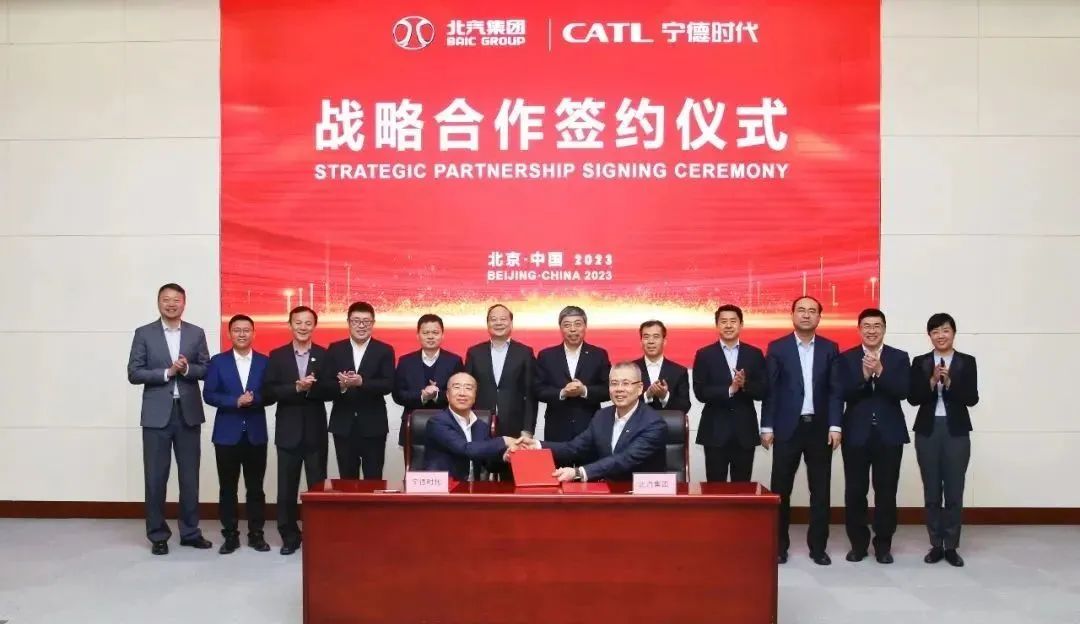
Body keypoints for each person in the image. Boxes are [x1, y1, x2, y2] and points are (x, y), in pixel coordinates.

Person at [126, 283, 212, 555]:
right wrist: (167, 372)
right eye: (166, 299)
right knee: (155, 478)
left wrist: (186, 370)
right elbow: (134, 373)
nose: (171, 304)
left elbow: (207, 369)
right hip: (156, 416)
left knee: (190, 478)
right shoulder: (144, 333)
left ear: (184, 303)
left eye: (176, 300)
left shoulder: (196, 333)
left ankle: (190, 532)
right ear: (158, 302)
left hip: (188, 414)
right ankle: (158, 535)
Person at [761, 296, 843, 565]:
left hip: (820, 428)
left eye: (812, 311)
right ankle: (778, 546)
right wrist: (767, 426)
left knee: (820, 491)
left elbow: (835, 391)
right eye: (801, 310)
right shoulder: (778, 348)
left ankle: (818, 547)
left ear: (819, 317)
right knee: (780, 490)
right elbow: (771, 391)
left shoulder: (830, 348)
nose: (806, 315)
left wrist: (835, 425)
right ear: (792, 315)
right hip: (787, 428)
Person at [834, 308, 910, 564]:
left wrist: (880, 371)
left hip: (890, 434)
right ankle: (858, 544)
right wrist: (864, 376)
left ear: (884, 329)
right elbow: (842, 392)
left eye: (877, 326)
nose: (872, 330)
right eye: (866, 326)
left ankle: (883, 545)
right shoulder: (846, 358)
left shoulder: (899, 357)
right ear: (859, 329)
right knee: (855, 491)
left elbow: (903, 391)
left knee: (886, 492)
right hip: (856, 434)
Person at [908, 313, 979, 568]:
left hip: (956, 431)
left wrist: (949, 383)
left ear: (953, 333)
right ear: (929, 335)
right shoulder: (920, 362)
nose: (941, 335)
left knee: (954, 490)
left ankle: (951, 546)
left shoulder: (967, 362)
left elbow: (972, 398)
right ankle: (936, 544)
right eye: (935, 331)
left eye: (945, 330)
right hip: (927, 430)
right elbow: (913, 398)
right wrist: (931, 381)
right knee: (931, 490)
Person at [518, 362, 665, 481]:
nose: (619, 389)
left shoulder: (653, 423)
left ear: (639, 388)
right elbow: (574, 448)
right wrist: (537, 445)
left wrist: (579, 472)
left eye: (626, 383)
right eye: (614, 383)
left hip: (643, 497)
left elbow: (624, 459)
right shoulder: (602, 416)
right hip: (607, 493)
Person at [202, 314, 272, 554]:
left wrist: (254, 399)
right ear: (230, 334)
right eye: (237, 330)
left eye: (246, 330)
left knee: (256, 488)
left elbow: (270, 394)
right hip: (226, 435)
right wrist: (235, 401)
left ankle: (256, 534)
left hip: (255, 434)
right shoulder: (218, 362)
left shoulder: (264, 362)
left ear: (253, 333)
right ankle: (230, 535)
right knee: (227, 488)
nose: (242, 334)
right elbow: (209, 394)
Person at [263, 305, 327, 555]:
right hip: (288, 431)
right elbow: (269, 393)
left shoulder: (324, 355)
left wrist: (311, 388)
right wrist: (296, 388)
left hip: (315, 431)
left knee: (317, 489)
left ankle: (317, 534)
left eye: (308, 323)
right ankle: (289, 536)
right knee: (286, 489)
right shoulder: (277, 356)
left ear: (314, 326)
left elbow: (332, 390)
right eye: (298, 322)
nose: (303, 327)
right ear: (290, 325)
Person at [692, 305, 768, 482]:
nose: (728, 325)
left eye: (733, 321)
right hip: (714, 432)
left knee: (742, 489)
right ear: (717, 325)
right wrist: (730, 389)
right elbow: (700, 392)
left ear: (741, 324)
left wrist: (744, 384)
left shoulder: (754, 354)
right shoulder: (704, 354)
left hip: (745, 432)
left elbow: (763, 391)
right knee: (714, 489)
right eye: (723, 321)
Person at [321, 301, 396, 479]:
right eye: (356, 321)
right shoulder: (335, 349)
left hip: (374, 425)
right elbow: (325, 384)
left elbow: (388, 384)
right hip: (343, 424)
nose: (361, 326)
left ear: (373, 323)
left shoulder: (384, 350)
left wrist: (362, 382)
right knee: (347, 479)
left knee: (373, 478)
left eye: (366, 321)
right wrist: (342, 386)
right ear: (348, 322)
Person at [422, 373, 523, 481]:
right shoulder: (437, 422)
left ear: (475, 396)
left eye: (468, 388)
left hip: (472, 487)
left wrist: (505, 457)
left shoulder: (481, 426)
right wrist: (504, 440)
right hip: (444, 487)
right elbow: (465, 449)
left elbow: (487, 462)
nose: (462, 393)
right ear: (447, 395)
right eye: (456, 387)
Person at [535, 306, 611, 442]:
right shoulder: (546, 356)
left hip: (590, 427)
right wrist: (563, 392)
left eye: (577, 324)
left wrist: (584, 390)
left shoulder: (598, 355)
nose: (573, 329)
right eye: (567, 325)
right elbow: (538, 390)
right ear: (560, 328)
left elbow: (608, 389)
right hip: (557, 428)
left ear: (585, 326)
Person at [464, 304, 537, 440]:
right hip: (478, 422)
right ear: (487, 324)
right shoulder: (474, 353)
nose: (498, 323)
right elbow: (467, 389)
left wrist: (527, 429)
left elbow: (530, 394)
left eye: (503, 319)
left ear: (511, 323)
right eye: (493, 319)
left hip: (514, 425)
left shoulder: (524, 353)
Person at [393, 314, 464, 452]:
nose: (430, 336)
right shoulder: (405, 362)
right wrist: (423, 396)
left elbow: (459, 393)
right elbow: (398, 395)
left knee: (446, 465)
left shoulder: (454, 361)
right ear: (418, 335)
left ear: (442, 335)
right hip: (413, 426)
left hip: (447, 426)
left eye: (435, 332)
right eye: (426, 333)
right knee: (414, 465)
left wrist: (437, 395)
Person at [633, 320, 691, 413]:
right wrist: (647, 395)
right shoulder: (629, 369)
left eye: (656, 337)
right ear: (641, 342)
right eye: (646, 337)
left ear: (664, 341)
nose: (651, 341)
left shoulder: (679, 371)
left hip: (666, 422)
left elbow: (685, 406)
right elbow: (623, 402)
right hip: (636, 421)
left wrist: (665, 396)